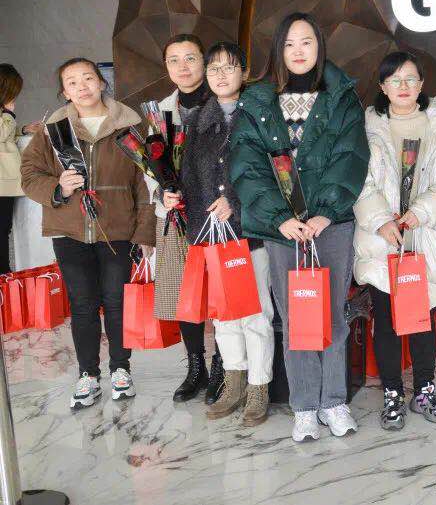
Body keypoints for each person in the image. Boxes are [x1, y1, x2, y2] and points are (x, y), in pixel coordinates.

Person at [230, 13, 368, 443]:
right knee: (296, 319)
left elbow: (351, 155)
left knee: (333, 315)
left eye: (306, 42)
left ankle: (334, 401)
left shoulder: (341, 96)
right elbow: (247, 164)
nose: (298, 51)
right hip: (283, 230)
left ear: (319, 45)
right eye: (289, 44)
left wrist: (326, 211)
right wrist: (280, 217)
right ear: (278, 50)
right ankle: (305, 406)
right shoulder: (257, 100)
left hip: (332, 226)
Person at [20, 58, 156, 409]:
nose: (82, 87)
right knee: (82, 304)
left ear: (101, 83)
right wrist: (59, 187)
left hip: (118, 230)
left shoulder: (129, 127)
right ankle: (88, 375)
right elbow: (30, 175)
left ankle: (121, 370)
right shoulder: (53, 131)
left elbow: (145, 184)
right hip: (70, 231)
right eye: (72, 82)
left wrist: (145, 232)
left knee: (116, 301)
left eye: (88, 78)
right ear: (64, 92)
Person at [353, 51, 436, 429]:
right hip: (383, 240)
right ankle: (392, 392)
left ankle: (424, 388)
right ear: (383, 86)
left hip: (426, 236)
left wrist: (422, 211)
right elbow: (357, 180)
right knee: (386, 320)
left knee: (423, 319)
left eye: (410, 79)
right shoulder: (367, 128)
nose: (403, 86)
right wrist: (380, 220)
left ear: (421, 85)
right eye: (395, 80)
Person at [166, 42, 273, 426]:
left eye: (229, 67)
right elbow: (188, 177)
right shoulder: (197, 121)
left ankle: (259, 386)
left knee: (255, 314)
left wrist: (237, 204)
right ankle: (234, 381)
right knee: (225, 317)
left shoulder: (262, 115)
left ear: (244, 72)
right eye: (214, 69)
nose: (221, 75)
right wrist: (170, 193)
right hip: (211, 235)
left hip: (250, 233)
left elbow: (275, 173)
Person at [150, 34, 222, 405]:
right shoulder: (159, 112)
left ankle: (225, 366)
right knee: (185, 294)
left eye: (191, 58)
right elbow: (151, 166)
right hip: (178, 218)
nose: (183, 67)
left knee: (225, 293)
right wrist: (162, 193)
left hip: (219, 216)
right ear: (166, 67)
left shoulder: (224, 101)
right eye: (174, 60)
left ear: (204, 62)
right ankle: (196, 367)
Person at [0, 65, 26, 274]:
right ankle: (3, 275)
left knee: (3, 230)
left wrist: (23, 129)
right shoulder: (5, 112)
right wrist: (9, 112)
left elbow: (7, 135)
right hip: (2, 183)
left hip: (4, 183)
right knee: (1, 230)